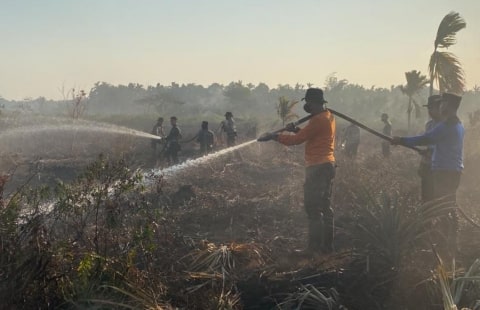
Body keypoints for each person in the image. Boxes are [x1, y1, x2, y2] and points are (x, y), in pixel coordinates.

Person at [258, 88, 336, 254]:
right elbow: (311, 136)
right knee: (325, 207)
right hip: (328, 165)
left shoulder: (318, 120)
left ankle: (314, 249)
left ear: (313, 103)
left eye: (307, 102)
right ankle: (327, 248)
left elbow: (296, 141)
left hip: (318, 167)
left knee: (313, 208)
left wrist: (275, 137)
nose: (306, 106)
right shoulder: (328, 116)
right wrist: (295, 129)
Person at [392, 93, 464, 254]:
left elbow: (426, 138)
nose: (441, 106)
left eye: (443, 103)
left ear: (449, 106)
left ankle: (448, 244)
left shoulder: (447, 126)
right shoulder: (455, 125)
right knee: (446, 206)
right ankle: (449, 243)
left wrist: (401, 140)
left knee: (443, 207)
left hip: (445, 172)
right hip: (449, 171)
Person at [418, 95, 442, 203]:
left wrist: (430, 151)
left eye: (432, 108)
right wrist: (422, 163)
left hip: (441, 168)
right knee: (426, 197)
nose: (430, 111)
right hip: (427, 166)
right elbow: (428, 145)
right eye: (429, 108)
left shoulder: (447, 126)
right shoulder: (429, 125)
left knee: (440, 199)